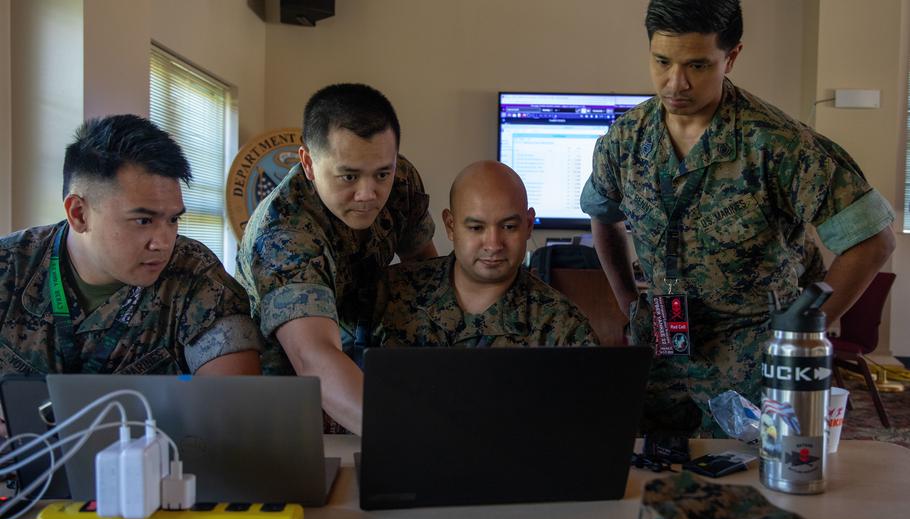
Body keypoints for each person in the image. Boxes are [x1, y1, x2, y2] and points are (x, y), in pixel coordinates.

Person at [580, 0, 895, 435]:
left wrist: (800, 336)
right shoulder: (625, 140)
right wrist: (628, 300)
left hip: (752, 360)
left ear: (731, 58)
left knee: (747, 489)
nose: (676, 83)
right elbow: (603, 214)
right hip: (661, 349)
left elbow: (872, 241)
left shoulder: (778, 145)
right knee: (650, 478)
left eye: (697, 65)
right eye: (661, 62)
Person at [237, 84, 437, 434]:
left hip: (364, 349)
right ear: (309, 163)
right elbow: (312, 356)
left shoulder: (401, 179)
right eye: (348, 176)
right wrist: (410, 439)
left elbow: (422, 269)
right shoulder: (284, 231)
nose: (367, 194)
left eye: (381, 174)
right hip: (283, 378)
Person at [0, 114, 262, 377]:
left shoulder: (196, 274)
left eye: (173, 219)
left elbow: (232, 406)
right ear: (79, 213)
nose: (163, 242)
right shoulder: (9, 266)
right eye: (143, 220)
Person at [372, 160, 599, 349]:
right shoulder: (387, 293)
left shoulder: (562, 326)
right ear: (450, 226)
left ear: (528, 225)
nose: (493, 244)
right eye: (476, 228)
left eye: (509, 227)